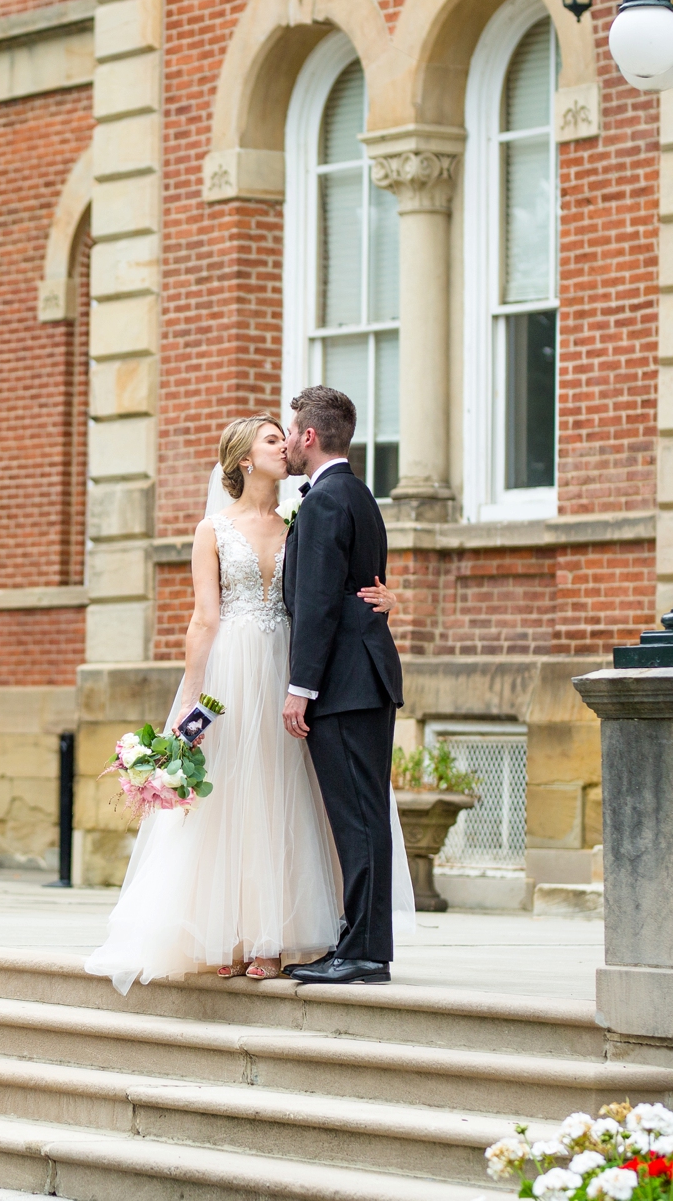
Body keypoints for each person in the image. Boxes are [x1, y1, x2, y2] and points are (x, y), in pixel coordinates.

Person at [84, 414, 405, 993]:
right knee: (234, 792)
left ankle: (280, 933)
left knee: (286, 794)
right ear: (242, 460)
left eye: (287, 437)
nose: (286, 446)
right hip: (233, 667)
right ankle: (230, 933)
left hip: (291, 665)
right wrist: (191, 700)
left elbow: (333, 583)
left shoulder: (299, 517)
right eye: (272, 440)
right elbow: (204, 616)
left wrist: (383, 599)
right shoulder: (212, 529)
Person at [280, 385, 407, 986]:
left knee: (357, 819)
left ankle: (363, 951)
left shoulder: (327, 500)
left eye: (292, 429)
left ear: (309, 436)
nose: (289, 438)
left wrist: (301, 686)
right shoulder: (355, 492)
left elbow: (321, 603)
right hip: (361, 676)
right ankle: (359, 943)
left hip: (345, 684)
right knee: (362, 817)